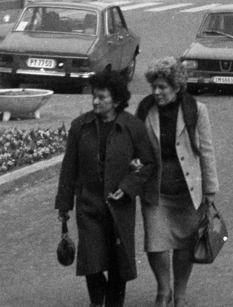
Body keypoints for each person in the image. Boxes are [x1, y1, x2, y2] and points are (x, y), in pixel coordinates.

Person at [56, 69, 158, 307]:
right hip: (88, 204)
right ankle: (96, 301)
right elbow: (69, 167)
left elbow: (149, 163)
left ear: (117, 100)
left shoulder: (132, 126)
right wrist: (64, 204)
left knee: (117, 262)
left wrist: (129, 186)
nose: (95, 101)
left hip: (119, 207)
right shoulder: (80, 126)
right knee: (90, 259)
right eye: (94, 96)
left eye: (102, 97)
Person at [135, 59, 218, 307]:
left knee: (185, 243)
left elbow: (206, 150)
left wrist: (210, 189)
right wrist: (134, 163)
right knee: (155, 243)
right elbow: (135, 145)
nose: (157, 92)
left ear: (176, 86)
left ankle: (179, 294)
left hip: (188, 190)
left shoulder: (196, 110)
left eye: (162, 87)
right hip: (156, 190)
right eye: (154, 87)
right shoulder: (145, 110)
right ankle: (164, 290)